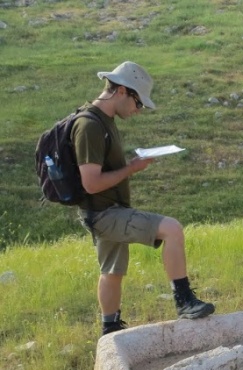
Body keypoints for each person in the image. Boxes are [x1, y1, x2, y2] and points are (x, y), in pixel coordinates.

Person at [72, 61, 215, 336]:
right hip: (104, 213)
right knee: (172, 229)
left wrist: (128, 167)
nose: (138, 111)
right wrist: (131, 169)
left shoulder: (101, 120)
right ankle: (184, 301)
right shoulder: (90, 126)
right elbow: (90, 183)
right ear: (123, 91)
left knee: (111, 270)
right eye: (138, 103)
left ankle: (110, 329)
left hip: (100, 210)